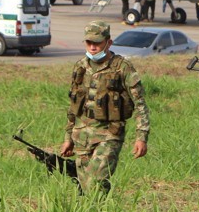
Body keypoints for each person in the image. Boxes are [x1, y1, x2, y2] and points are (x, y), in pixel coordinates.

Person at [60, 21, 151, 195]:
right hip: (82, 136)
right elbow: (73, 106)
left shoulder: (122, 68)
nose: (93, 47)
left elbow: (140, 105)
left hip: (109, 135)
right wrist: (68, 138)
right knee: (85, 188)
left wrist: (141, 137)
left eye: (97, 42)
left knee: (96, 181)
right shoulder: (80, 67)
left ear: (108, 42)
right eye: (89, 43)